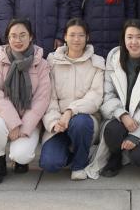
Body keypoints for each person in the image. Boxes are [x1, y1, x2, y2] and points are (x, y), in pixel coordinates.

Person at [85, 19, 140, 183]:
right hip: (119, 117)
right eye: (129, 37)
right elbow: (107, 94)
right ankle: (115, 156)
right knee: (112, 131)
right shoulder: (114, 58)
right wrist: (122, 115)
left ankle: (129, 149)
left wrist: (135, 134)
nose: (134, 42)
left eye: (139, 37)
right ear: (123, 39)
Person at [0, 18, 51, 185]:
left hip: (30, 120)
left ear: (31, 37)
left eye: (22, 35)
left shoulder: (41, 64)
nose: (18, 40)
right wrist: (13, 122)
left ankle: (20, 161)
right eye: (13, 36)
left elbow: (41, 99)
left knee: (22, 154)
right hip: (3, 117)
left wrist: (24, 126)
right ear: (7, 38)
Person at [39, 18, 105, 181]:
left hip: (85, 121)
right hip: (59, 122)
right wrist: (55, 122)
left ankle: (79, 165)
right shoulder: (52, 61)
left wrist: (70, 111)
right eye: (72, 35)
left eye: (81, 35)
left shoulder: (97, 63)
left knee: (80, 122)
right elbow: (48, 97)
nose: (76, 39)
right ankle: (75, 153)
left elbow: (95, 97)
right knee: (50, 164)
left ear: (87, 37)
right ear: (65, 37)